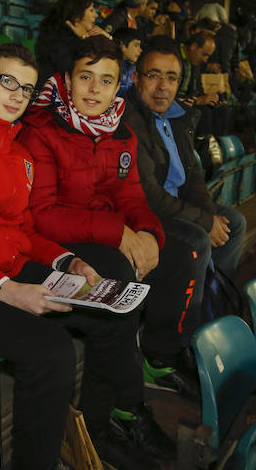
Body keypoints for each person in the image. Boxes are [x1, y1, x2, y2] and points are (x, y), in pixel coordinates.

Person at [0, 44, 172, 470]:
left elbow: (24, 231)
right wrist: (9, 292)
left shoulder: (17, 153)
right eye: (6, 81)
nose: (15, 94)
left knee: (110, 306)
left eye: (25, 88)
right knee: (53, 351)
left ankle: (97, 430)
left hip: (10, 265)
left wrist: (66, 262)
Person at [19, 35, 207, 399]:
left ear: (117, 85)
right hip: (57, 242)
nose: (94, 89)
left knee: (180, 257)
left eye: (106, 80)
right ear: (67, 80)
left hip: (103, 233)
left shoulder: (121, 132)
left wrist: (149, 233)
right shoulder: (43, 130)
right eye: (85, 77)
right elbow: (42, 215)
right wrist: (120, 235)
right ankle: (113, 405)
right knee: (119, 273)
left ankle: (159, 356)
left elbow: (131, 195)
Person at [123, 35, 246, 282]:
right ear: (136, 78)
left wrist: (209, 215)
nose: (163, 86)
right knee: (198, 238)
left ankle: (216, 294)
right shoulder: (128, 121)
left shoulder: (179, 116)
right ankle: (192, 312)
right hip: (146, 212)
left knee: (234, 223)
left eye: (171, 78)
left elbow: (191, 174)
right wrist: (204, 222)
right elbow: (150, 196)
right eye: (153, 75)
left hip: (176, 205)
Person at [35, 0, 110, 87]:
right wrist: (84, 39)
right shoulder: (57, 41)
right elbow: (82, 74)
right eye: (91, 10)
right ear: (77, 15)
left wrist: (108, 38)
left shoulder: (82, 39)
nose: (96, 15)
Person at [113, 28, 141, 95]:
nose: (140, 50)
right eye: (136, 45)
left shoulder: (134, 69)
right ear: (122, 46)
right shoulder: (109, 67)